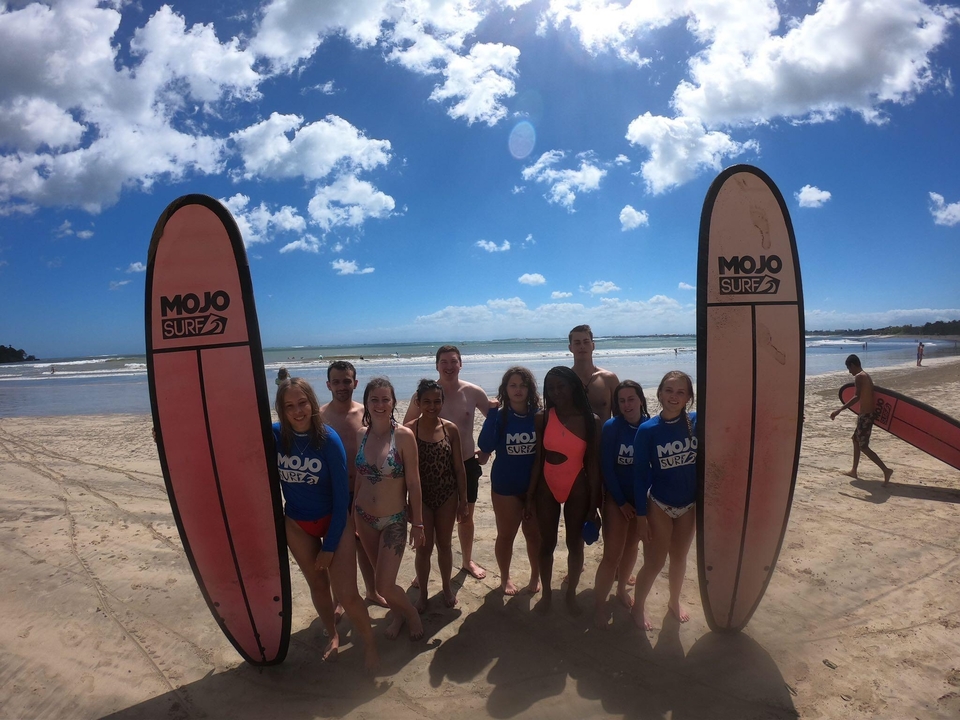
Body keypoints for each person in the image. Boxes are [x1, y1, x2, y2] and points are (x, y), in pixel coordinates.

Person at [273, 377, 379, 670]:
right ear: (281, 409)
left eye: (302, 403)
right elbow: (230, 438)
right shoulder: (276, 436)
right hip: (297, 524)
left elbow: (339, 498)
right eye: (289, 406)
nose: (297, 411)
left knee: (346, 593)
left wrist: (330, 547)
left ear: (312, 403)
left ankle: (369, 642)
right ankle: (332, 634)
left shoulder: (328, 439)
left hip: (335, 522)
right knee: (318, 586)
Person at [403, 345, 491, 580]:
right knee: (427, 523)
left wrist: (488, 449)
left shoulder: (473, 392)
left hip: (465, 464)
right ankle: (422, 570)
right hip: (430, 469)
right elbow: (406, 428)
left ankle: (466, 561)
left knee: (466, 517)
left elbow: (494, 422)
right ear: (436, 365)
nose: (449, 366)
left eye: (454, 361)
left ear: (461, 364)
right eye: (444, 362)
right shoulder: (425, 395)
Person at [525, 366, 602, 615]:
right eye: (551, 388)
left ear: (573, 387)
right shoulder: (542, 417)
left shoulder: (591, 421)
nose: (556, 392)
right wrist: (529, 498)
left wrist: (593, 505)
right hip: (547, 485)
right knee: (547, 543)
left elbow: (592, 464)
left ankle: (570, 595)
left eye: (561, 386)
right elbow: (538, 459)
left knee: (574, 544)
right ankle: (547, 595)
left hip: (577, 485)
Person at [354, 377, 426, 640]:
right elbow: (360, 478)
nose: (380, 404)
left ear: (394, 402)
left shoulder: (404, 436)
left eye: (386, 399)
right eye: (374, 399)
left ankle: (410, 613)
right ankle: (396, 615)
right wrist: (353, 515)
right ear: (366, 403)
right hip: (364, 517)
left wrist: (417, 524)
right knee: (377, 580)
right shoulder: (361, 434)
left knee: (385, 583)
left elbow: (414, 483)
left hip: (394, 519)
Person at [631, 371, 698, 631]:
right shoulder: (648, 431)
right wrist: (640, 516)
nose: (674, 396)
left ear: (689, 397)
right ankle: (638, 607)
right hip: (659, 504)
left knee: (679, 558)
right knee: (656, 562)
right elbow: (638, 477)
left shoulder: (696, 421)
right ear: (659, 393)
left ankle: (673, 601)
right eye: (669, 390)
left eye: (681, 392)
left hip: (689, 505)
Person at [319, 361, 386, 609]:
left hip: (363, 490)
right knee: (336, 546)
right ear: (328, 385)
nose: (342, 386)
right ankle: (339, 599)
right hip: (333, 494)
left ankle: (372, 591)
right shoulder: (320, 416)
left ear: (355, 383)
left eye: (347, 381)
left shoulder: (365, 414)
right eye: (336, 381)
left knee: (365, 545)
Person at [478, 366, 542, 596]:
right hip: (505, 486)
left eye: (523, 385)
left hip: (534, 487)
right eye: (513, 385)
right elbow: (485, 445)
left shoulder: (539, 415)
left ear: (530, 388)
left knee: (534, 535)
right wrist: (492, 413)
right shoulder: (502, 416)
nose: (518, 390)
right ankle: (505, 578)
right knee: (506, 535)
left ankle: (535, 575)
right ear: (505, 389)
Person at [406, 379, 468, 610]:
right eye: (427, 402)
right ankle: (422, 594)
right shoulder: (409, 429)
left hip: (447, 495)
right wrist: (408, 503)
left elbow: (459, 468)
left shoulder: (450, 429)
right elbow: (404, 472)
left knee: (444, 545)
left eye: (437, 401)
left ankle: (446, 587)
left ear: (443, 401)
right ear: (418, 403)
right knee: (424, 548)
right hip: (421, 497)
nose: (432, 406)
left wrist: (464, 500)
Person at [593, 380, 650, 628]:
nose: (627, 404)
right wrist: (620, 502)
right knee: (611, 555)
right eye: (622, 400)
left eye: (631, 399)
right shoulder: (612, 427)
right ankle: (598, 604)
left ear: (640, 399)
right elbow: (606, 466)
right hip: (617, 500)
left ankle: (621, 590)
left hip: (641, 499)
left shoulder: (650, 426)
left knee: (632, 548)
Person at [830, 354, 894, 484]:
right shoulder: (866, 375)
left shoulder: (859, 377)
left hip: (865, 416)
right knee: (855, 440)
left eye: (849, 368)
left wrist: (839, 410)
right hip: (866, 416)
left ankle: (886, 470)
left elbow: (856, 397)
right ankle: (854, 470)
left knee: (864, 447)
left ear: (853, 365)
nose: (849, 372)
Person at [568, 325, 620, 421]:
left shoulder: (608, 379)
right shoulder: (565, 380)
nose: (582, 346)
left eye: (586, 342)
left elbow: (620, 417)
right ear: (570, 348)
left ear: (593, 345)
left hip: (604, 435)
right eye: (577, 343)